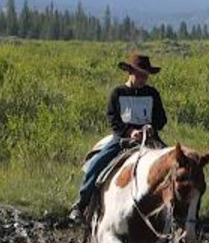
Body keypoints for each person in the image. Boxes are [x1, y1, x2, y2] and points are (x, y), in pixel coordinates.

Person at [68, 53, 168, 222]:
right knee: (96, 165)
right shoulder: (117, 93)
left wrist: (152, 127)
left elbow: (161, 118)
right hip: (122, 139)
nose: (143, 79)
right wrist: (129, 132)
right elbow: (113, 118)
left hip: (150, 138)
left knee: (173, 165)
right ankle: (81, 204)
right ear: (131, 72)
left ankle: (175, 211)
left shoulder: (152, 94)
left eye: (145, 75)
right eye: (140, 74)